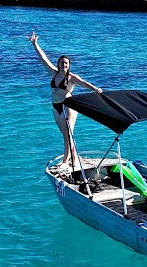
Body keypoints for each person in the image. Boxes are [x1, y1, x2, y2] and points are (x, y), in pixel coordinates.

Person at [29, 32, 102, 169]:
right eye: (62, 63)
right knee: (65, 133)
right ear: (59, 64)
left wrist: (95, 89)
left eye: (67, 63)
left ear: (69, 65)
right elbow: (43, 58)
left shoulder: (72, 77)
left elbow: (84, 83)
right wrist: (35, 44)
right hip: (55, 106)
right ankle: (74, 157)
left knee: (67, 134)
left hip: (68, 106)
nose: (64, 65)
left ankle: (65, 161)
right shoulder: (54, 73)